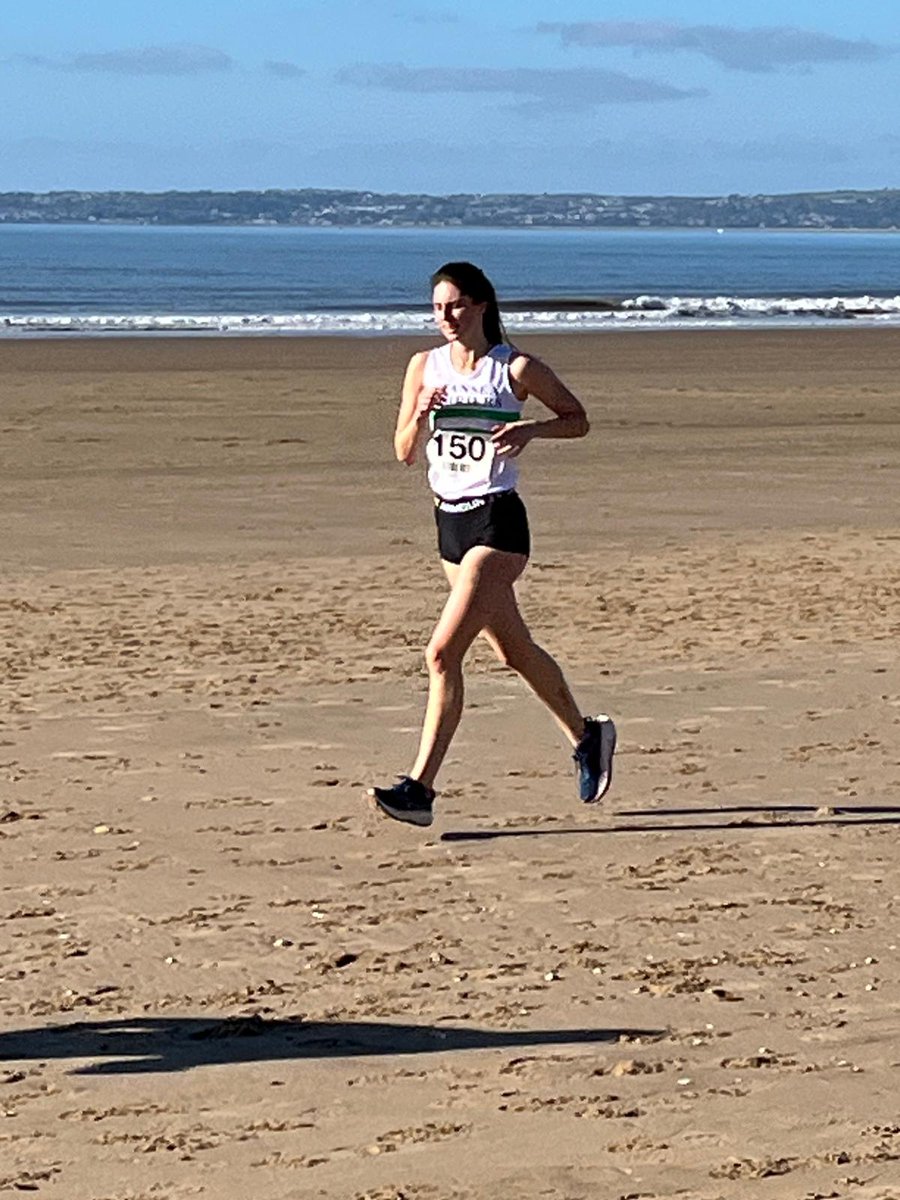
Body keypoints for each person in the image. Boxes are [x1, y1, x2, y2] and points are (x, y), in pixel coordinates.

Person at [368, 261, 615, 827]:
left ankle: (419, 790)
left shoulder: (515, 369)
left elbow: (577, 419)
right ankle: (587, 735)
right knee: (512, 650)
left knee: (441, 654)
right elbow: (403, 450)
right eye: (436, 308)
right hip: (448, 526)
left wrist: (532, 429)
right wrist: (422, 418)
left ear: (481, 305)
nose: (445, 317)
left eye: (455, 305)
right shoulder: (423, 367)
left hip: (497, 525)